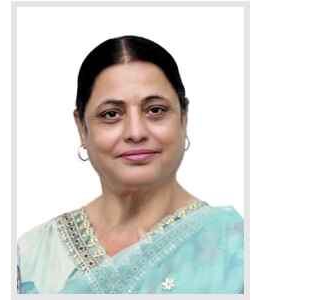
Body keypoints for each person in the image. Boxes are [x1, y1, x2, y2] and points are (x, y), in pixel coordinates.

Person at [16, 35, 244, 294]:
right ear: (81, 127)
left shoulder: (236, 248)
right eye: (111, 114)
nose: (135, 132)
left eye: (155, 110)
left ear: (184, 117)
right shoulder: (33, 254)